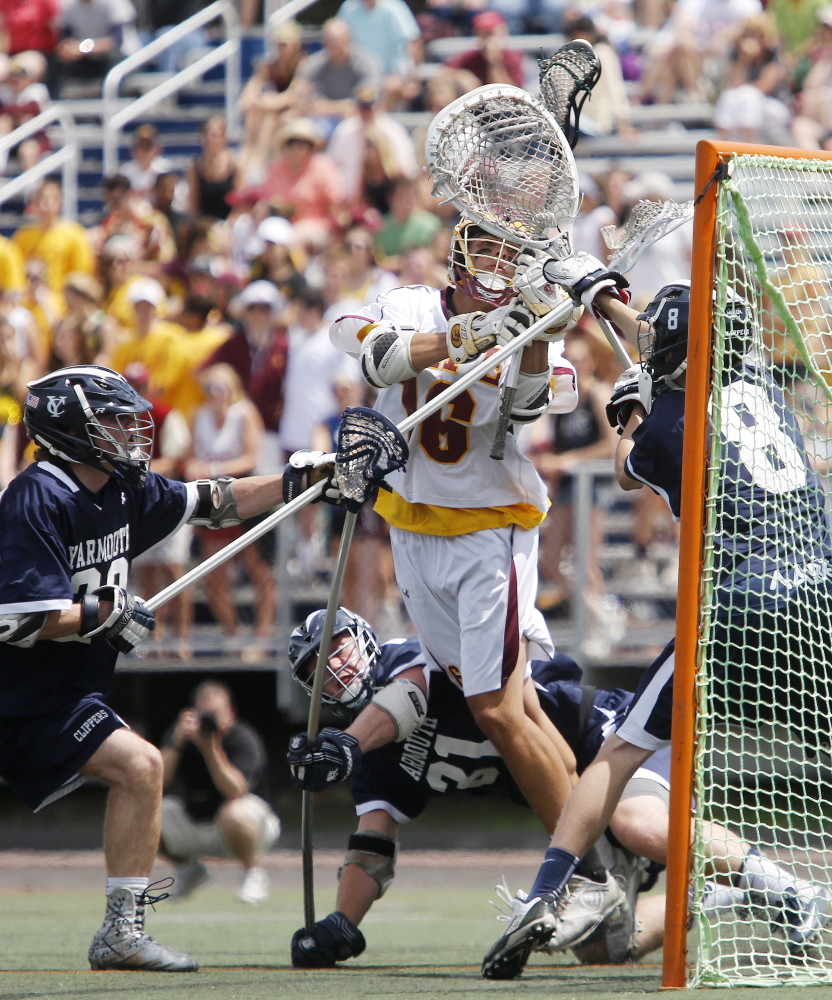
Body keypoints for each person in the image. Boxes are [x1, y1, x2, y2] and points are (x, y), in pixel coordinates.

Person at [480, 260, 832, 978]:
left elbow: (626, 465)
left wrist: (628, 415)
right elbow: (667, 338)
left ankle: (549, 889)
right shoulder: (768, 390)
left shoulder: (662, 427)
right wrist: (601, 297)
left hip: (738, 602)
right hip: (819, 590)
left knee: (619, 755)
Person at [285, 608, 820, 968]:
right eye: (319, 667)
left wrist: (348, 743)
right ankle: (717, 898)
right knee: (604, 948)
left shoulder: (409, 659)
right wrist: (339, 925)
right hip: (567, 806)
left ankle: (791, 890)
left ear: (362, 634)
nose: (336, 666)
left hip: (609, 737)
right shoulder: (376, 754)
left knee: (635, 823)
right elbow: (373, 846)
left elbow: (411, 695)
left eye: (337, 648)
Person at [0, 363, 296, 970]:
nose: (127, 432)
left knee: (141, 766)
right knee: (143, 765)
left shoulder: (123, 487)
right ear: (68, 429)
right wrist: (98, 615)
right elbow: (16, 618)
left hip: (60, 696)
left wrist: (296, 481)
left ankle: (121, 933)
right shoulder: (37, 497)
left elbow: (217, 500)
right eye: (109, 420)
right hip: (13, 691)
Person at [323, 217, 586, 849]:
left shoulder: (534, 324)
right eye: (487, 248)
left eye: (510, 251)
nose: (499, 263)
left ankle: (580, 869)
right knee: (512, 705)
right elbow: (370, 352)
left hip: (488, 533)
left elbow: (534, 402)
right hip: (410, 528)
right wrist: (463, 335)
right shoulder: (411, 302)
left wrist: (530, 336)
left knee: (493, 709)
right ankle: (595, 849)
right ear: (461, 255)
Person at [160, 680, 280, 905]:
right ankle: (190, 870)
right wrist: (175, 743)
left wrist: (210, 749)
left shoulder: (243, 737)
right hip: (198, 820)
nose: (209, 721)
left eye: (215, 714)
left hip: (250, 825)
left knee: (234, 811)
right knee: (146, 814)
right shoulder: (183, 737)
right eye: (203, 715)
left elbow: (235, 790)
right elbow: (156, 784)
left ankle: (254, 873)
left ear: (231, 714)